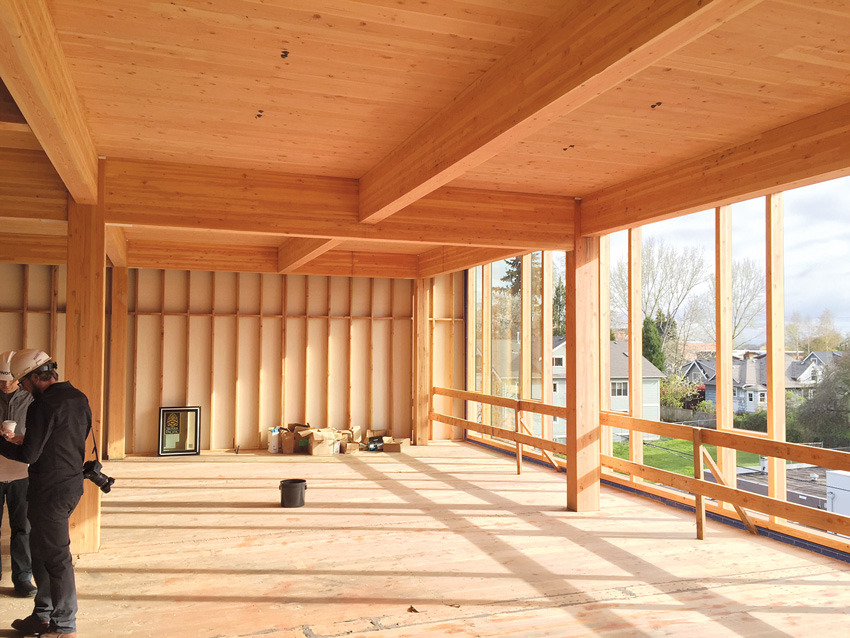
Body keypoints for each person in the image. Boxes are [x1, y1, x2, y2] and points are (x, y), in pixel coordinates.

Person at [0, 349, 90, 638]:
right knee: (40, 552)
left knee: (55, 557)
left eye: (22, 381)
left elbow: (29, 453)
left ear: (34, 377)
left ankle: (64, 626)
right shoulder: (77, 397)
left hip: (50, 490)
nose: (21, 387)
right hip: (70, 484)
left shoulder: (43, 405)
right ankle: (42, 615)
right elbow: (68, 437)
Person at [0, 350, 37, 598]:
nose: (5, 384)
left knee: (22, 529)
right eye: (0, 379)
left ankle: (23, 579)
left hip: (21, 473)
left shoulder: (31, 400)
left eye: (10, 379)